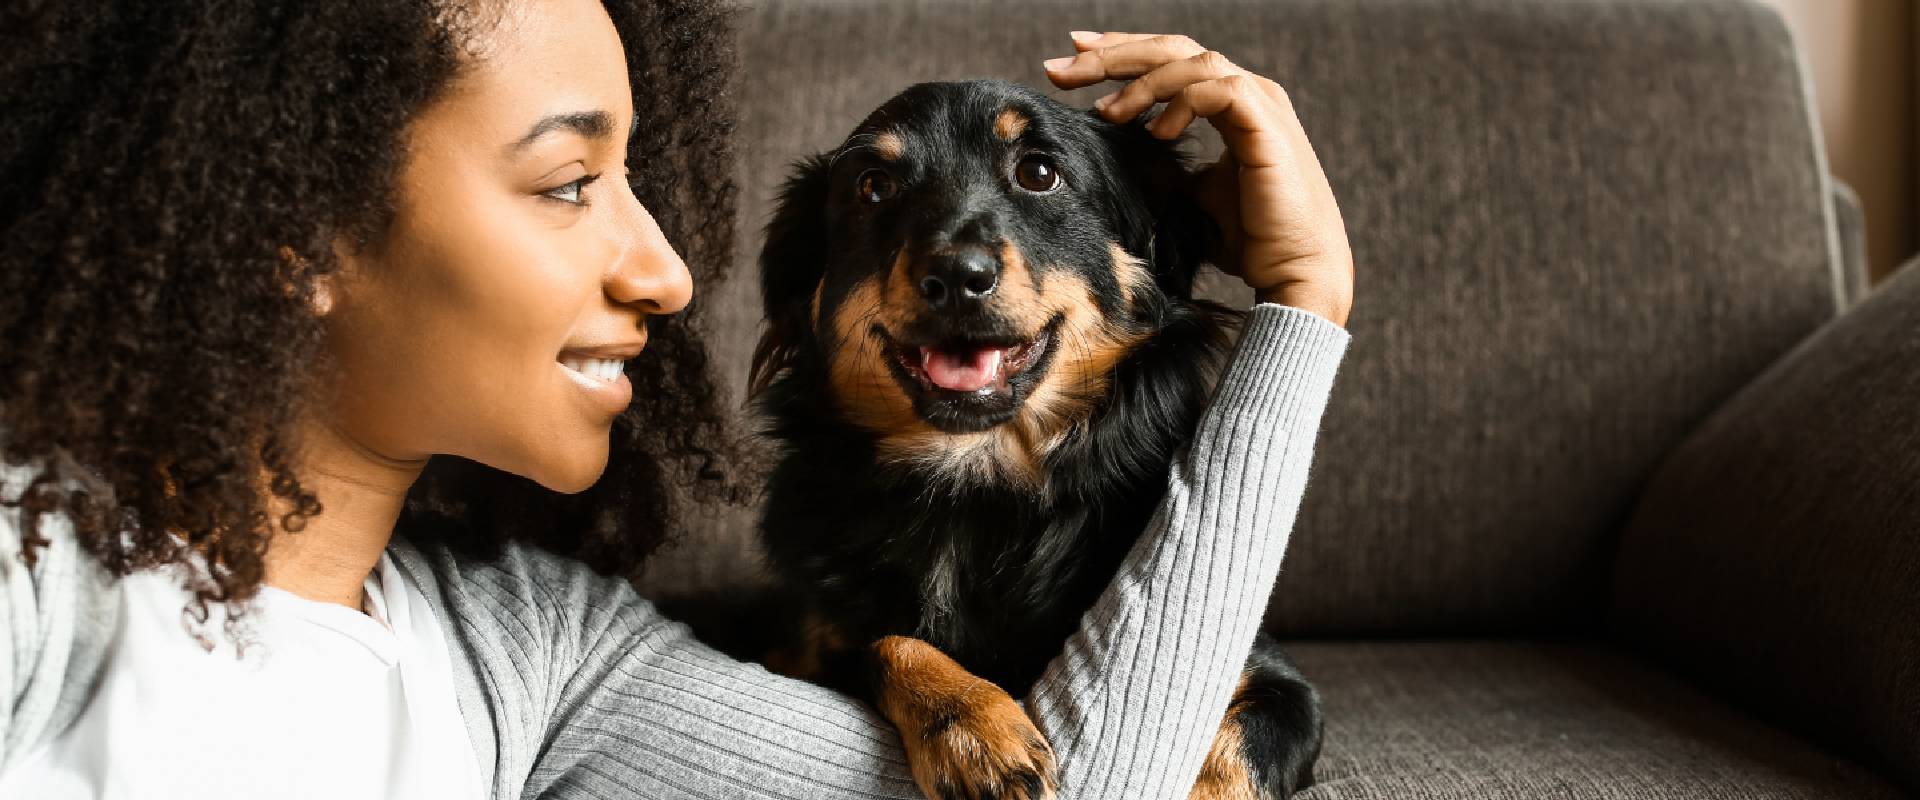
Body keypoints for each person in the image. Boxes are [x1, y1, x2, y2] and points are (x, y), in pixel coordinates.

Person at [0, 1, 1353, 798]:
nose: (667, 273)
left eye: (639, 182)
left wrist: (1302, 311)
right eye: (568, 184)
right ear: (294, 231)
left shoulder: (541, 653)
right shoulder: (35, 576)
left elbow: (1081, 786)